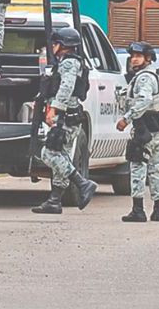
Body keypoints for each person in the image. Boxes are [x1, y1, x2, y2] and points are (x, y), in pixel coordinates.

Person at [31, 26, 97, 215]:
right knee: (63, 156)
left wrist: (54, 108)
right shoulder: (70, 62)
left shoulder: (69, 64)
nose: (52, 46)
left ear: (63, 45)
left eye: (55, 43)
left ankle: (83, 183)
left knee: (49, 154)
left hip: (64, 117)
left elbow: (66, 87)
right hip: (70, 116)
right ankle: (54, 200)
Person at [116, 41, 159, 223]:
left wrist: (126, 119)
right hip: (156, 127)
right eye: (133, 56)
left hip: (144, 128)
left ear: (148, 58)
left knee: (138, 167)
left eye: (138, 56)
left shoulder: (145, 77)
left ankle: (138, 210)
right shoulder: (155, 75)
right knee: (155, 170)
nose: (134, 59)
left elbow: (143, 101)